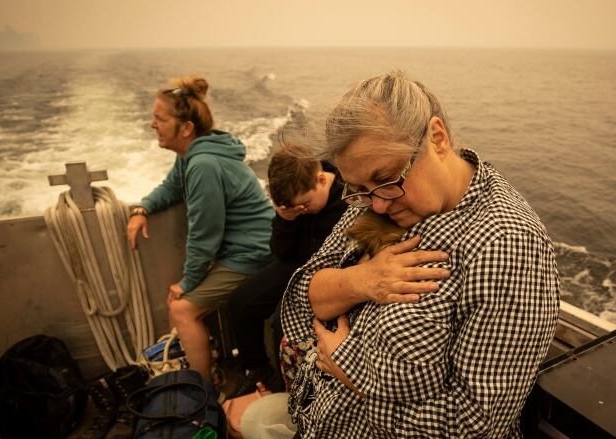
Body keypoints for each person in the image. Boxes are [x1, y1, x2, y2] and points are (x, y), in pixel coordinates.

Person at [281, 71, 560, 438]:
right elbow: (302, 300)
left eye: (387, 179)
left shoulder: (506, 248)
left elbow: (470, 426)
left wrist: (348, 369)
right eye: (360, 189)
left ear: (437, 139)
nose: (376, 205)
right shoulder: (375, 198)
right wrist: (358, 281)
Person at [127, 75, 274, 382]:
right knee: (183, 303)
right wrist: (142, 209)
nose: (152, 124)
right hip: (234, 251)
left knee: (182, 310)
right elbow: (171, 188)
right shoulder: (192, 155)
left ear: (186, 128)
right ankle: (209, 370)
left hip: (252, 254)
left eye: (159, 118)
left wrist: (188, 282)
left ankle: (203, 392)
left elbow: (205, 235)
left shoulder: (204, 164)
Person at [226, 146, 347, 397]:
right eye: (294, 208)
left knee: (283, 321)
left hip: (331, 272)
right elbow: (280, 252)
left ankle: (287, 391)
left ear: (321, 179)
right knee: (241, 302)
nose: (302, 210)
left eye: (305, 205)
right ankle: (257, 372)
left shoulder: (348, 197)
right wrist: (285, 219)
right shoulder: (294, 205)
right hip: (296, 264)